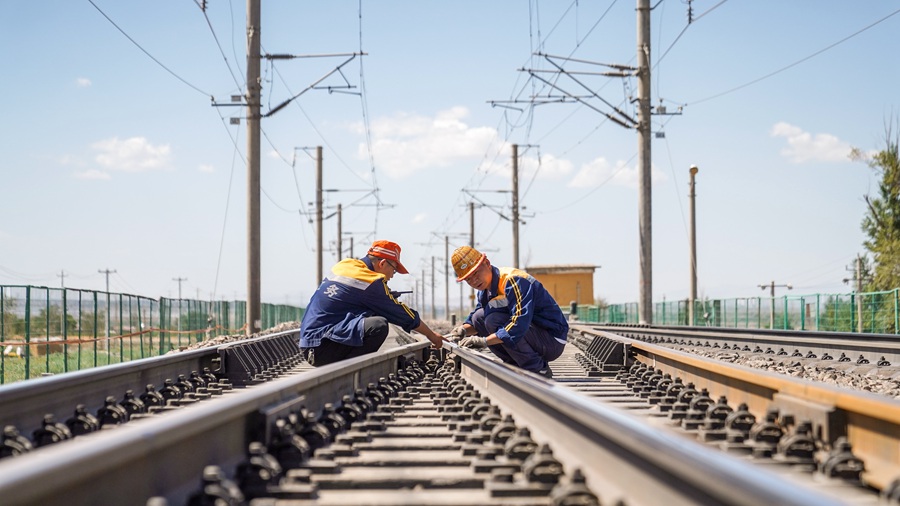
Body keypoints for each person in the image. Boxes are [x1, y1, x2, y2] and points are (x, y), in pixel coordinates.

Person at [299, 240, 446, 367]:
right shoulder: (370, 281)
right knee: (379, 326)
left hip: (311, 342)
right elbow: (402, 314)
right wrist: (432, 335)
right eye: (393, 270)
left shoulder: (346, 265)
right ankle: (348, 371)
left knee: (374, 316)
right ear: (382, 263)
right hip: (322, 348)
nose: (392, 275)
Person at [449, 245, 568, 378]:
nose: (473, 280)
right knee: (479, 317)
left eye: (475, 273)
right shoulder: (484, 291)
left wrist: (484, 341)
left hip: (551, 340)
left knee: (493, 320)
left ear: (487, 263)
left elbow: (519, 323)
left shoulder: (513, 281)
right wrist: (463, 330)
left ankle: (537, 369)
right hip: (534, 336)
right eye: (468, 279)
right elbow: (476, 322)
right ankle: (515, 365)